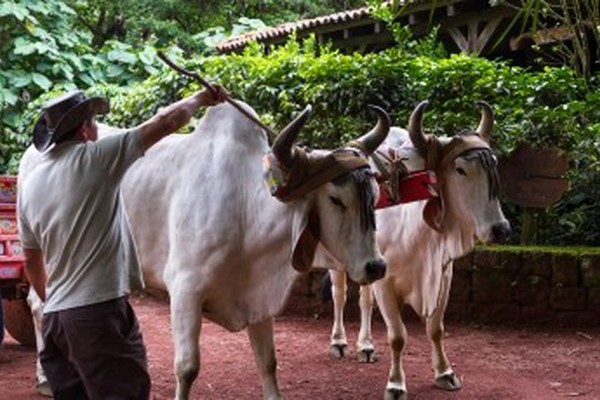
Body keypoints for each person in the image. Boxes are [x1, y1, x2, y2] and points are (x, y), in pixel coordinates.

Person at [17, 85, 228, 399]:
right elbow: (164, 123)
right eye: (94, 120)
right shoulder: (96, 159)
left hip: (56, 324)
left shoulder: (32, 185)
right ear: (85, 128)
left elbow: (31, 260)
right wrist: (201, 98)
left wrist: (55, 303)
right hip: (98, 315)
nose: (98, 127)